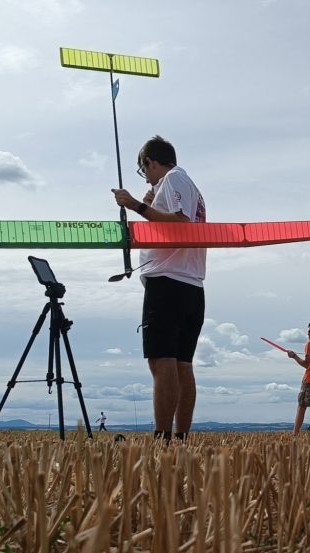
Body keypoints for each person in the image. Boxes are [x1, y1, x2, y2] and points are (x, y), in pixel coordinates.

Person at [112, 136, 206, 443]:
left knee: (161, 361)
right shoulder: (183, 183)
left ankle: (163, 437)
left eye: (144, 170)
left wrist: (136, 205)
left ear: (152, 162)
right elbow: (176, 219)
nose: (146, 177)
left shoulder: (175, 178)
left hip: (168, 281)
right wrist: (150, 202)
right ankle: (179, 438)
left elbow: (179, 223)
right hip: (190, 283)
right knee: (181, 364)